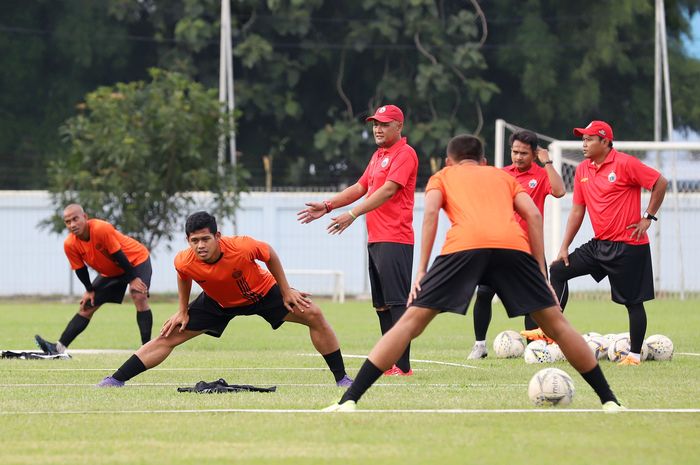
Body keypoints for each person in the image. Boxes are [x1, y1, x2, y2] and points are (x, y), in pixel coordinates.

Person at [323, 134, 624, 412]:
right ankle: (610, 401)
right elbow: (532, 214)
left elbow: (429, 215)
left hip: (463, 246)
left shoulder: (442, 176)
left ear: (448, 161)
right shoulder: (501, 176)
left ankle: (349, 400)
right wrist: (542, 273)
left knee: (409, 324)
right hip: (512, 246)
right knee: (557, 326)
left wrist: (423, 271)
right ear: (483, 161)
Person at [97, 211, 352, 387]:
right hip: (217, 303)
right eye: (194, 241)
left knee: (315, 315)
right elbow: (184, 275)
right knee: (168, 335)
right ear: (188, 241)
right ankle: (116, 379)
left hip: (262, 294)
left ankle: (342, 379)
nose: (200, 246)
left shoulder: (242, 246)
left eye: (205, 239)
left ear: (218, 237)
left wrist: (286, 290)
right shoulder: (184, 259)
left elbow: (270, 255)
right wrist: (182, 310)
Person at [298, 104, 418, 376]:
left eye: (385, 124)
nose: (378, 128)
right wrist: (328, 206)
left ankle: (403, 366)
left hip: (396, 237)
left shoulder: (405, 153)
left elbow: (388, 190)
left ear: (399, 127)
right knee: (382, 305)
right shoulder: (378, 156)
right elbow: (361, 187)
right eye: (375, 123)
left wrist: (351, 214)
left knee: (398, 303)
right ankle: (389, 363)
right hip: (376, 237)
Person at [534, 120, 668, 366]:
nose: (584, 144)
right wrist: (564, 246)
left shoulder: (626, 163)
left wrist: (647, 217)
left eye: (589, 139)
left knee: (633, 303)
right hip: (599, 245)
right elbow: (577, 211)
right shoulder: (583, 170)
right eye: (582, 139)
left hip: (629, 246)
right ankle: (551, 332)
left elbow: (660, 182)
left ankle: (635, 355)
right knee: (558, 269)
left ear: (605, 141)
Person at [468, 130, 565, 359]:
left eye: (523, 153)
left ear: (534, 154)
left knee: (534, 300)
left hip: (529, 250)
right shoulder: (502, 174)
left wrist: (548, 161)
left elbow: (560, 191)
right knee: (483, 292)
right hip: (500, 246)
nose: (518, 157)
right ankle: (480, 345)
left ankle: (534, 347)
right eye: (514, 152)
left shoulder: (541, 175)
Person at [35, 204, 152, 355]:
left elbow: (119, 255)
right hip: (111, 271)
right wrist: (89, 291)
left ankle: (147, 349)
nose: (72, 224)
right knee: (88, 305)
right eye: (68, 222)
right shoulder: (70, 244)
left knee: (138, 295)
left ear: (85, 217)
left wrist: (133, 279)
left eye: (75, 219)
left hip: (135, 260)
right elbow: (80, 270)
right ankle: (58, 348)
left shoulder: (101, 228)